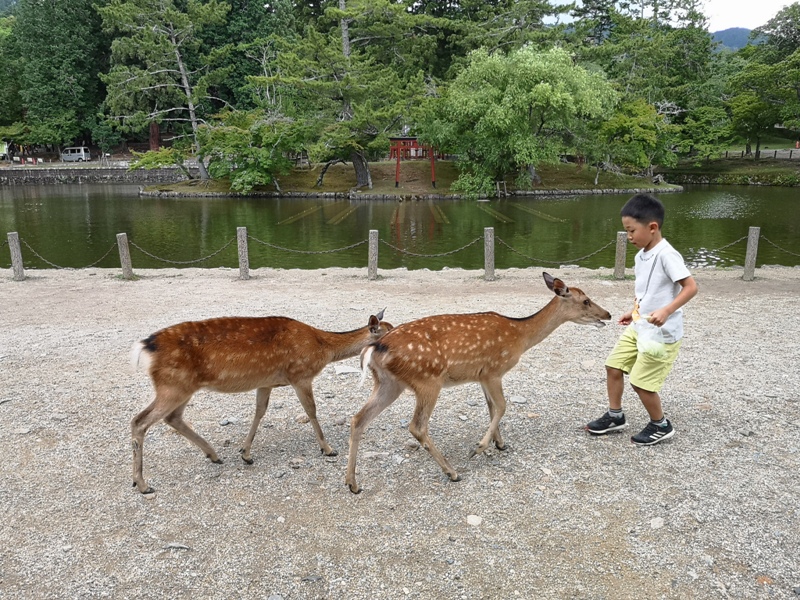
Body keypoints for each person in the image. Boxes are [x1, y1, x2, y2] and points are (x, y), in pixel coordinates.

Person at [586, 193, 698, 445]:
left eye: (631, 230)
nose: (629, 237)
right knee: (613, 366)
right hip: (641, 325)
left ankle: (661, 424)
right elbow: (646, 292)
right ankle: (616, 416)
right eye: (626, 231)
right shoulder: (641, 255)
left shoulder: (667, 255)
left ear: (652, 227)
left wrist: (667, 310)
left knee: (641, 382)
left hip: (661, 334)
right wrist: (633, 311)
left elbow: (691, 287)